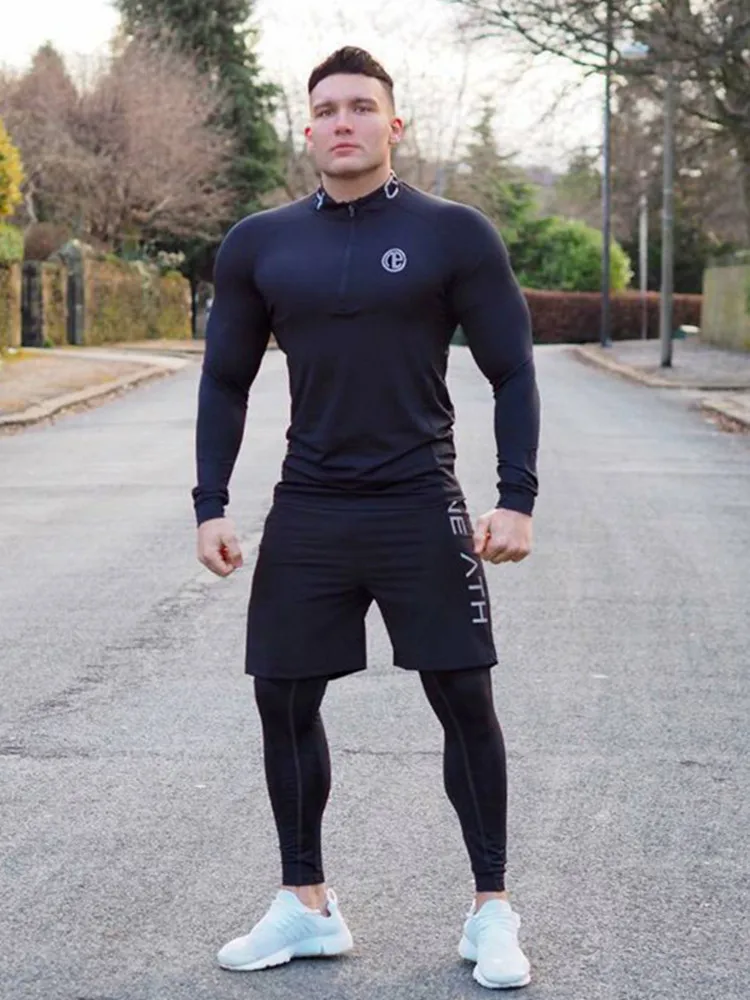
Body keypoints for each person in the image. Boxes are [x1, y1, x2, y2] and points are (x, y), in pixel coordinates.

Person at [192, 46, 540, 991]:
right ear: (307, 128)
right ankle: (305, 905)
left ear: (394, 124)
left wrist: (516, 497)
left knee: (463, 697)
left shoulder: (453, 233)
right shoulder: (259, 244)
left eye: (360, 106)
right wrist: (210, 503)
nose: (341, 121)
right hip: (309, 505)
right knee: (281, 698)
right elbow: (225, 381)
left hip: (420, 502)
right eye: (326, 109)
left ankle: (492, 910)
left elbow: (512, 369)